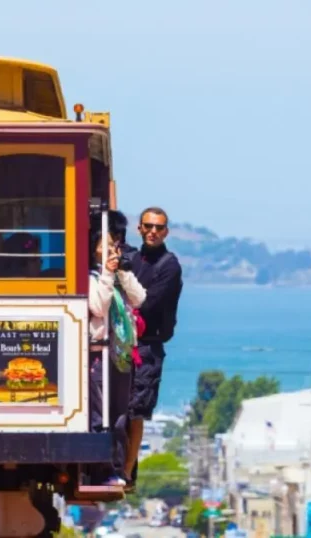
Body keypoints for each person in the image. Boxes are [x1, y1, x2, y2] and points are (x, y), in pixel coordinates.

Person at [125, 207, 183, 488]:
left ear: (166, 232)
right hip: (124, 343)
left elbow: (148, 304)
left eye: (158, 227)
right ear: (139, 228)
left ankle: (128, 472)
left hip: (148, 347)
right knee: (120, 408)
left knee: (137, 409)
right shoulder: (131, 258)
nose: (152, 231)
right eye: (148, 226)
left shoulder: (169, 266)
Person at [88, 221, 145, 487]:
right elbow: (99, 306)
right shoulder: (89, 277)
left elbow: (140, 297)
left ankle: (118, 468)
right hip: (99, 354)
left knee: (120, 415)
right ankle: (100, 469)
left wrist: (121, 272)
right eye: (105, 245)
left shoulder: (119, 275)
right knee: (101, 415)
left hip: (120, 355)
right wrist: (107, 274)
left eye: (114, 245)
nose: (110, 250)